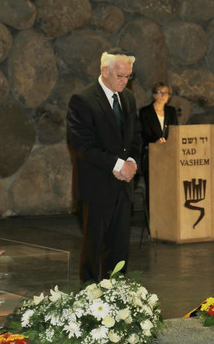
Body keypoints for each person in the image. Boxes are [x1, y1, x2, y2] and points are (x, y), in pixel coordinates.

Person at [67, 48, 142, 283]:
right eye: (120, 76)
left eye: (128, 76)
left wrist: (131, 162)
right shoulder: (83, 99)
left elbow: (137, 136)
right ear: (104, 71)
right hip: (96, 187)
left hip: (123, 187)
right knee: (93, 248)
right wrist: (118, 164)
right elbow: (82, 145)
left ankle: (117, 297)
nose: (124, 81)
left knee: (119, 248)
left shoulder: (128, 98)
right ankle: (89, 298)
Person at [139, 82, 178, 211]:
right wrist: (154, 141)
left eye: (165, 93)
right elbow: (143, 133)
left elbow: (175, 131)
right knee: (153, 189)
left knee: (167, 189)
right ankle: (153, 222)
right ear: (154, 95)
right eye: (159, 93)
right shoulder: (145, 112)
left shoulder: (171, 112)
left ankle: (166, 221)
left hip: (168, 155)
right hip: (152, 154)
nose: (162, 96)